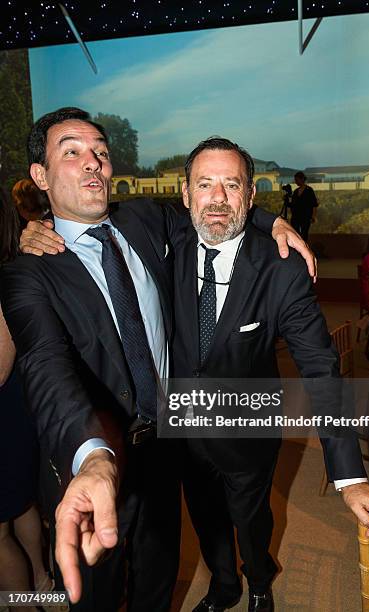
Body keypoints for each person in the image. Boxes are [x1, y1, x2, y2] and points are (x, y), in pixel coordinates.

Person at [2, 108, 314, 611]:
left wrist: (272, 218)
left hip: (168, 446)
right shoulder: (29, 273)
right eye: (72, 152)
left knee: (158, 579)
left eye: (101, 152)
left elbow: (217, 203)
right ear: (40, 175)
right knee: (95, 593)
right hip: (97, 465)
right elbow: (45, 364)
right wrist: (93, 458)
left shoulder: (142, 220)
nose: (93, 164)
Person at [171, 138, 369, 612]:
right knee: (206, 516)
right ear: (186, 193)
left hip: (250, 427)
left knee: (251, 519)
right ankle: (222, 585)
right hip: (185, 424)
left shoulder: (282, 268)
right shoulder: (164, 244)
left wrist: (348, 474)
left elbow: (320, 367)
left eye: (230, 185)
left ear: (250, 196)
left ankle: (257, 582)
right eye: (205, 184)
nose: (217, 198)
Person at [0, 186, 52, 612]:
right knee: (20, 505)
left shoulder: (6, 274)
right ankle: (40, 576)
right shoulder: (14, 263)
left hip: (6, 412)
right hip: (18, 407)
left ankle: (23, 603)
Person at [289, 171, 318, 241]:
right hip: (295, 217)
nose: (295, 182)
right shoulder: (295, 191)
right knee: (296, 234)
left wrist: (313, 216)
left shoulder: (309, 190)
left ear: (302, 179)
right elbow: (293, 205)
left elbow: (314, 204)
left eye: (296, 180)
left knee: (304, 235)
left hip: (305, 217)